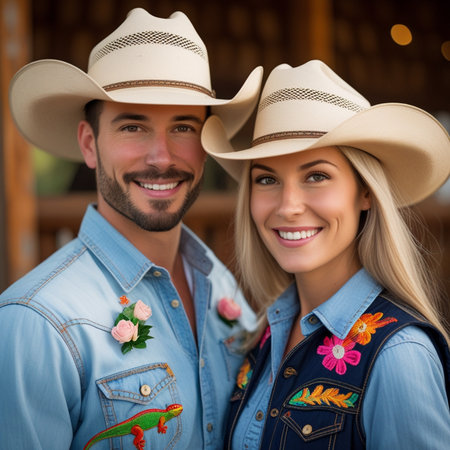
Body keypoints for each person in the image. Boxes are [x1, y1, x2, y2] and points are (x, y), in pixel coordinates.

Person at [0, 8, 262, 449]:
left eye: (183, 127)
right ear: (89, 144)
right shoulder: (35, 325)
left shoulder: (222, 288)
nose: (161, 157)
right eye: (133, 126)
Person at [200, 60, 450, 449]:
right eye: (267, 179)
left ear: (364, 192)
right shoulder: (263, 335)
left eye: (316, 176)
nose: (288, 206)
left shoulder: (399, 356)